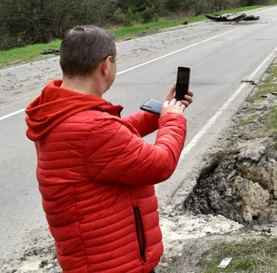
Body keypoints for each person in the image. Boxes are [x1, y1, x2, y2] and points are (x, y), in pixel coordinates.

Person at [25, 25, 193, 273]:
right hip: (113, 263)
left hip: (97, 259)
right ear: (106, 65)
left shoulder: (60, 110)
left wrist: (162, 112)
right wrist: (173, 119)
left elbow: (114, 138)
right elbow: (160, 163)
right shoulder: (91, 128)